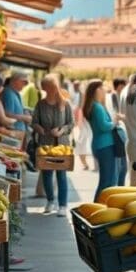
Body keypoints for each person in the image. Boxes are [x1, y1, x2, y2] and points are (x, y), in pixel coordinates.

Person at [32, 75, 74, 216]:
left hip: (61, 144)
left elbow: (70, 124)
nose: (46, 90)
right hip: (45, 144)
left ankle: (62, 205)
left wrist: (61, 131)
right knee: (47, 175)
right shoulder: (40, 104)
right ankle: (50, 201)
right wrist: (40, 129)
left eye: (47, 88)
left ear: (53, 88)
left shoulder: (65, 104)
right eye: (44, 88)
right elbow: (34, 122)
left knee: (61, 175)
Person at [83, 79, 122, 201]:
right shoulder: (97, 107)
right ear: (97, 90)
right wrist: (115, 121)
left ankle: (100, 206)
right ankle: (97, 207)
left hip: (101, 145)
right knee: (107, 181)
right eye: (102, 88)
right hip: (105, 146)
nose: (105, 91)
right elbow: (104, 126)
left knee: (108, 180)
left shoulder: (94, 106)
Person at [108, 78, 128, 186]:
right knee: (121, 166)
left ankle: (120, 187)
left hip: (120, 132)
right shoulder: (113, 96)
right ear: (119, 86)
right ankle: (120, 188)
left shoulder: (119, 96)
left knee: (122, 165)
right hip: (117, 132)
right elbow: (116, 115)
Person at [72, 81, 93, 170]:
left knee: (82, 144)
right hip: (82, 125)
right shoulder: (81, 99)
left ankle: (85, 164)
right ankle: (85, 164)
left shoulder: (84, 100)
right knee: (81, 144)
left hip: (84, 125)